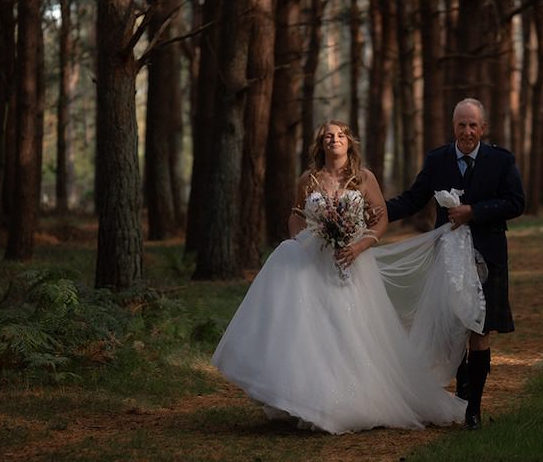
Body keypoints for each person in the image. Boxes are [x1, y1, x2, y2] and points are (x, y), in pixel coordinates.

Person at [211, 120, 481, 434]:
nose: (334, 139)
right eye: (328, 136)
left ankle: (353, 399)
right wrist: (300, 242)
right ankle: (308, 397)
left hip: (353, 261)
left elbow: (380, 219)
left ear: (349, 142)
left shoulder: (364, 178)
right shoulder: (308, 179)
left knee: (349, 329)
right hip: (314, 262)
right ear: (320, 143)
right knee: (313, 329)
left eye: (340, 135)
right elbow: (296, 215)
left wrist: (358, 246)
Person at [385, 98, 525, 430]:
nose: (467, 131)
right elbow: (413, 199)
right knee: (454, 330)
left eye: (473, 125)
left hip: (488, 257)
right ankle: (462, 392)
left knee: (480, 331)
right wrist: (376, 212)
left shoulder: (501, 160)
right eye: (461, 125)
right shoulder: (438, 160)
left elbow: (516, 202)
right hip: (447, 259)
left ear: (483, 128)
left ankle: (473, 409)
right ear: (453, 127)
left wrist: (473, 211)